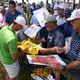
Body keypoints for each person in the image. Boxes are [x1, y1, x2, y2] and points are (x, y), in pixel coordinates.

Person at [51, 9, 80, 80]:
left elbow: (78, 62)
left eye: (73, 21)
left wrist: (63, 68)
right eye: (70, 21)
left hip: (76, 71)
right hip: (68, 61)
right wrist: (64, 48)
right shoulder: (74, 31)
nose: (70, 23)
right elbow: (70, 45)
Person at [0, 15, 26, 80]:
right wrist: (24, 51)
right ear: (18, 25)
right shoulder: (12, 38)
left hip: (2, 56)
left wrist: (18, 43)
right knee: (14, 77)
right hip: (9, 61)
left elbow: (5, 42)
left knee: (9, 74)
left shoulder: (4, 28)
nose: (21, 29)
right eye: (21, 27)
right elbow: (14, 57)